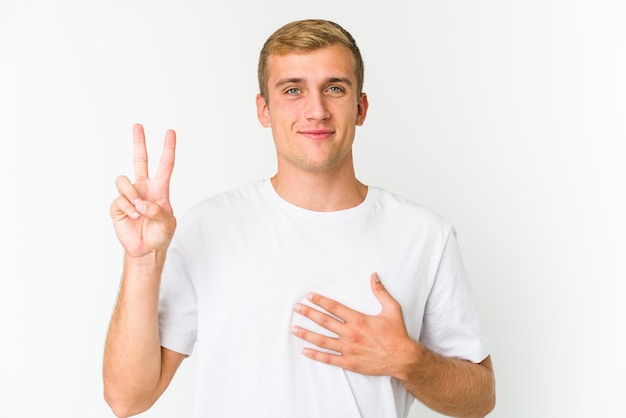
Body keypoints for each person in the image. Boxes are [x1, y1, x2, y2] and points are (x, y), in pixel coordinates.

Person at [103, 19, 496, 418]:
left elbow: (480, 398)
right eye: (293, 90)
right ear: (264, 109)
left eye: (335, 88)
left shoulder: (424, 234)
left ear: (360, 108)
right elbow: (128, 398)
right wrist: (140, 261)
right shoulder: (208, 226)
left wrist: (406, 359)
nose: (317, 110)